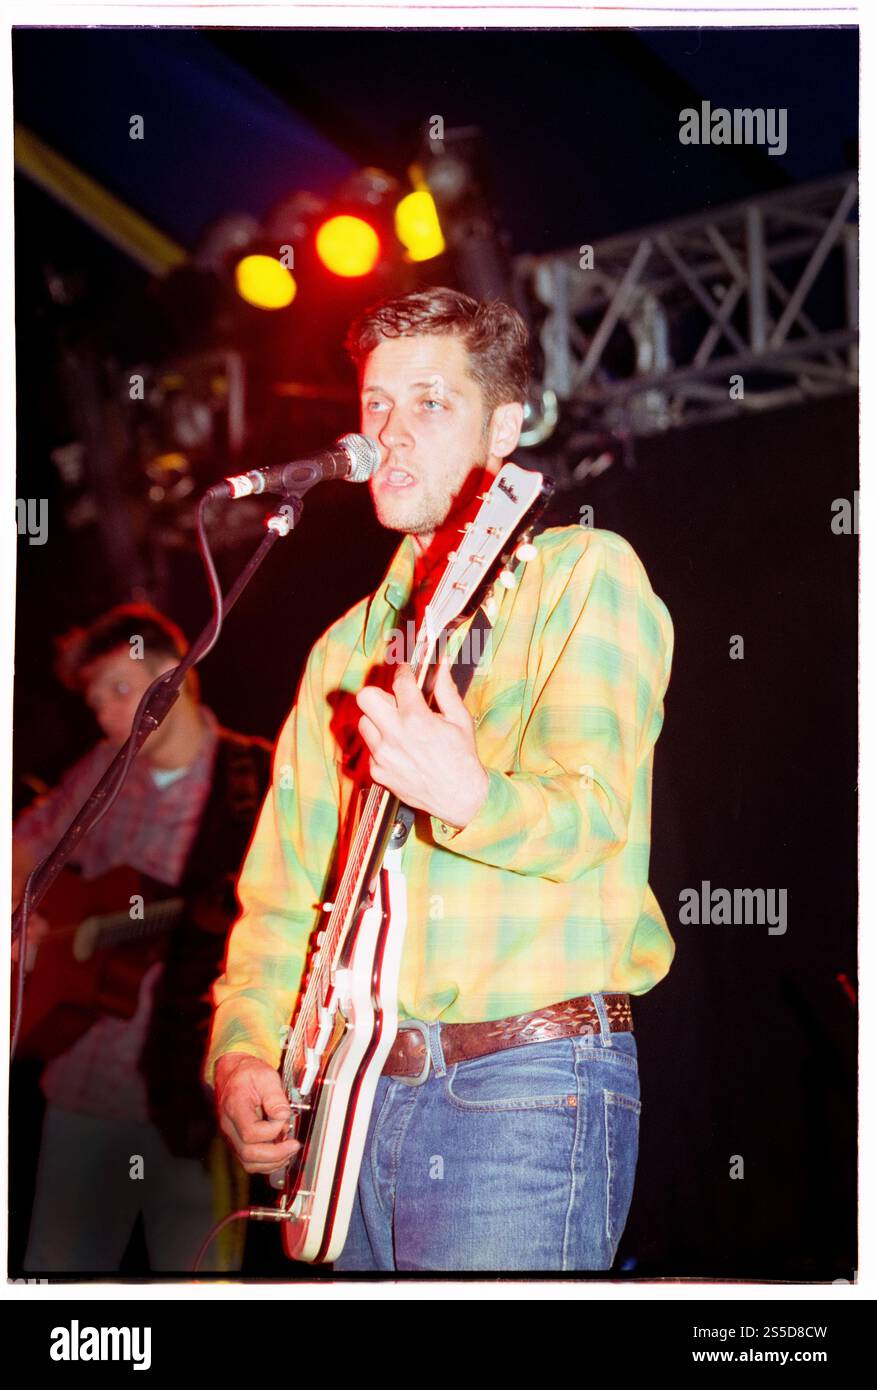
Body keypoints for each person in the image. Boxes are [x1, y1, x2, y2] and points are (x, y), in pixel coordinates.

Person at [205, 286, 675, 1272]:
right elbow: (281, 895)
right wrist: (243, 1048)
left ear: (505, 426)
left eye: (429, 402)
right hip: (354, 1098)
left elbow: (593, 816)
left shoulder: (581, 574)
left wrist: (472, 798)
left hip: (521, 1081)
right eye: (376, 403)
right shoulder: (342, 648)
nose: (389, 430)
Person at [12, 604, 272, 1273]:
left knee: (195, 1275)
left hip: (186, 1098)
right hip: (81, 1086)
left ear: (177, 679)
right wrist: (22, 921)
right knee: (57, 1278)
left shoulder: (254, 782)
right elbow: (21, 849)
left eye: (121, 691)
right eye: (96, 702)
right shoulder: (100, 769)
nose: (105, 715)